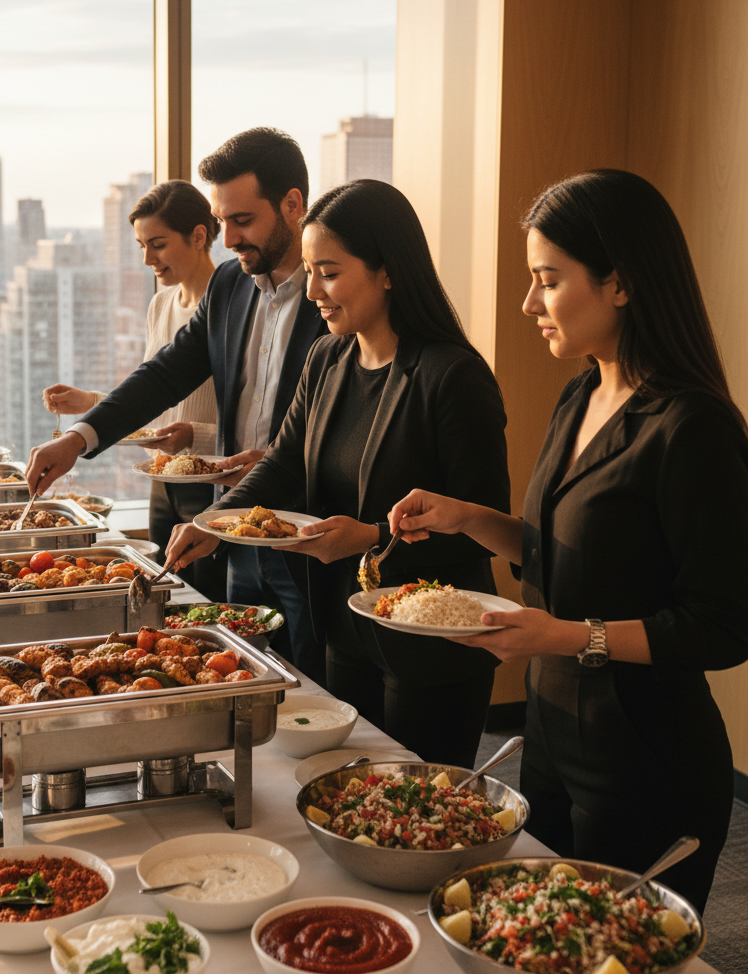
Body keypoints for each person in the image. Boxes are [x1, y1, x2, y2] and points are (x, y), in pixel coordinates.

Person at [388, 169, 748, 913]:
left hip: (646, 761)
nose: (528, 304)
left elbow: (722, 626)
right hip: (550, 739)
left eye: (547, 280)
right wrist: (469, 519)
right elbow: (567, 554)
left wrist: (563, 636)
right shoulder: (581, 393)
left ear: (619, 283)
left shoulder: (694, 429)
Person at [164, 179, 510, 767]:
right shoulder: (328, 358)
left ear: (387, 271)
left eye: (329, 272)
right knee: (344, 792)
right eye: (309, 272)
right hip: (343, 625)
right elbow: (282, 459)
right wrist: (216, 519)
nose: (314, 292)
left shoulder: (452, 378)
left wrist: (373, 540)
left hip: (429, 646)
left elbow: (482, 528)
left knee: (415, 814)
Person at [25, 128, 329, 684]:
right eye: (223, 221)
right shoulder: (232, 287)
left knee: (310, 693)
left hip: (305, 539)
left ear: (293, 205)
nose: (229, 238)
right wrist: (79, 437)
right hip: (235, 528)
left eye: (243, 220)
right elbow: (163, 375)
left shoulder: (331, 294)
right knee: (237, 680)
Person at [41, 180, 227, 601]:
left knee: (206, 600)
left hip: (214, 483)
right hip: (162, 481)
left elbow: (254, 421)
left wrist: (194, 436)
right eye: (142, 246)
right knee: (166, 598)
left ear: (199, 236)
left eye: (157, 244)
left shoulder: (233, 309)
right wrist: (90, 403)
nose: (147, 259)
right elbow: (156, 395)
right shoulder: (160, 304)